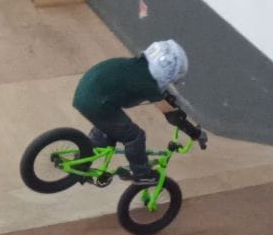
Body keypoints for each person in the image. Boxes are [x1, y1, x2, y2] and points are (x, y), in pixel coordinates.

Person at [72, 39, 205, 184]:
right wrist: (195, 133)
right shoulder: (147, 83)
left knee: (109, 129)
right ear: (167, 72)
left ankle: (79, 165)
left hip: (84, 94)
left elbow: (155, 92)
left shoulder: (136, 66)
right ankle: (142, 174)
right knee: (134, 136)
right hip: (98, 103)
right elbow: (172, 116)